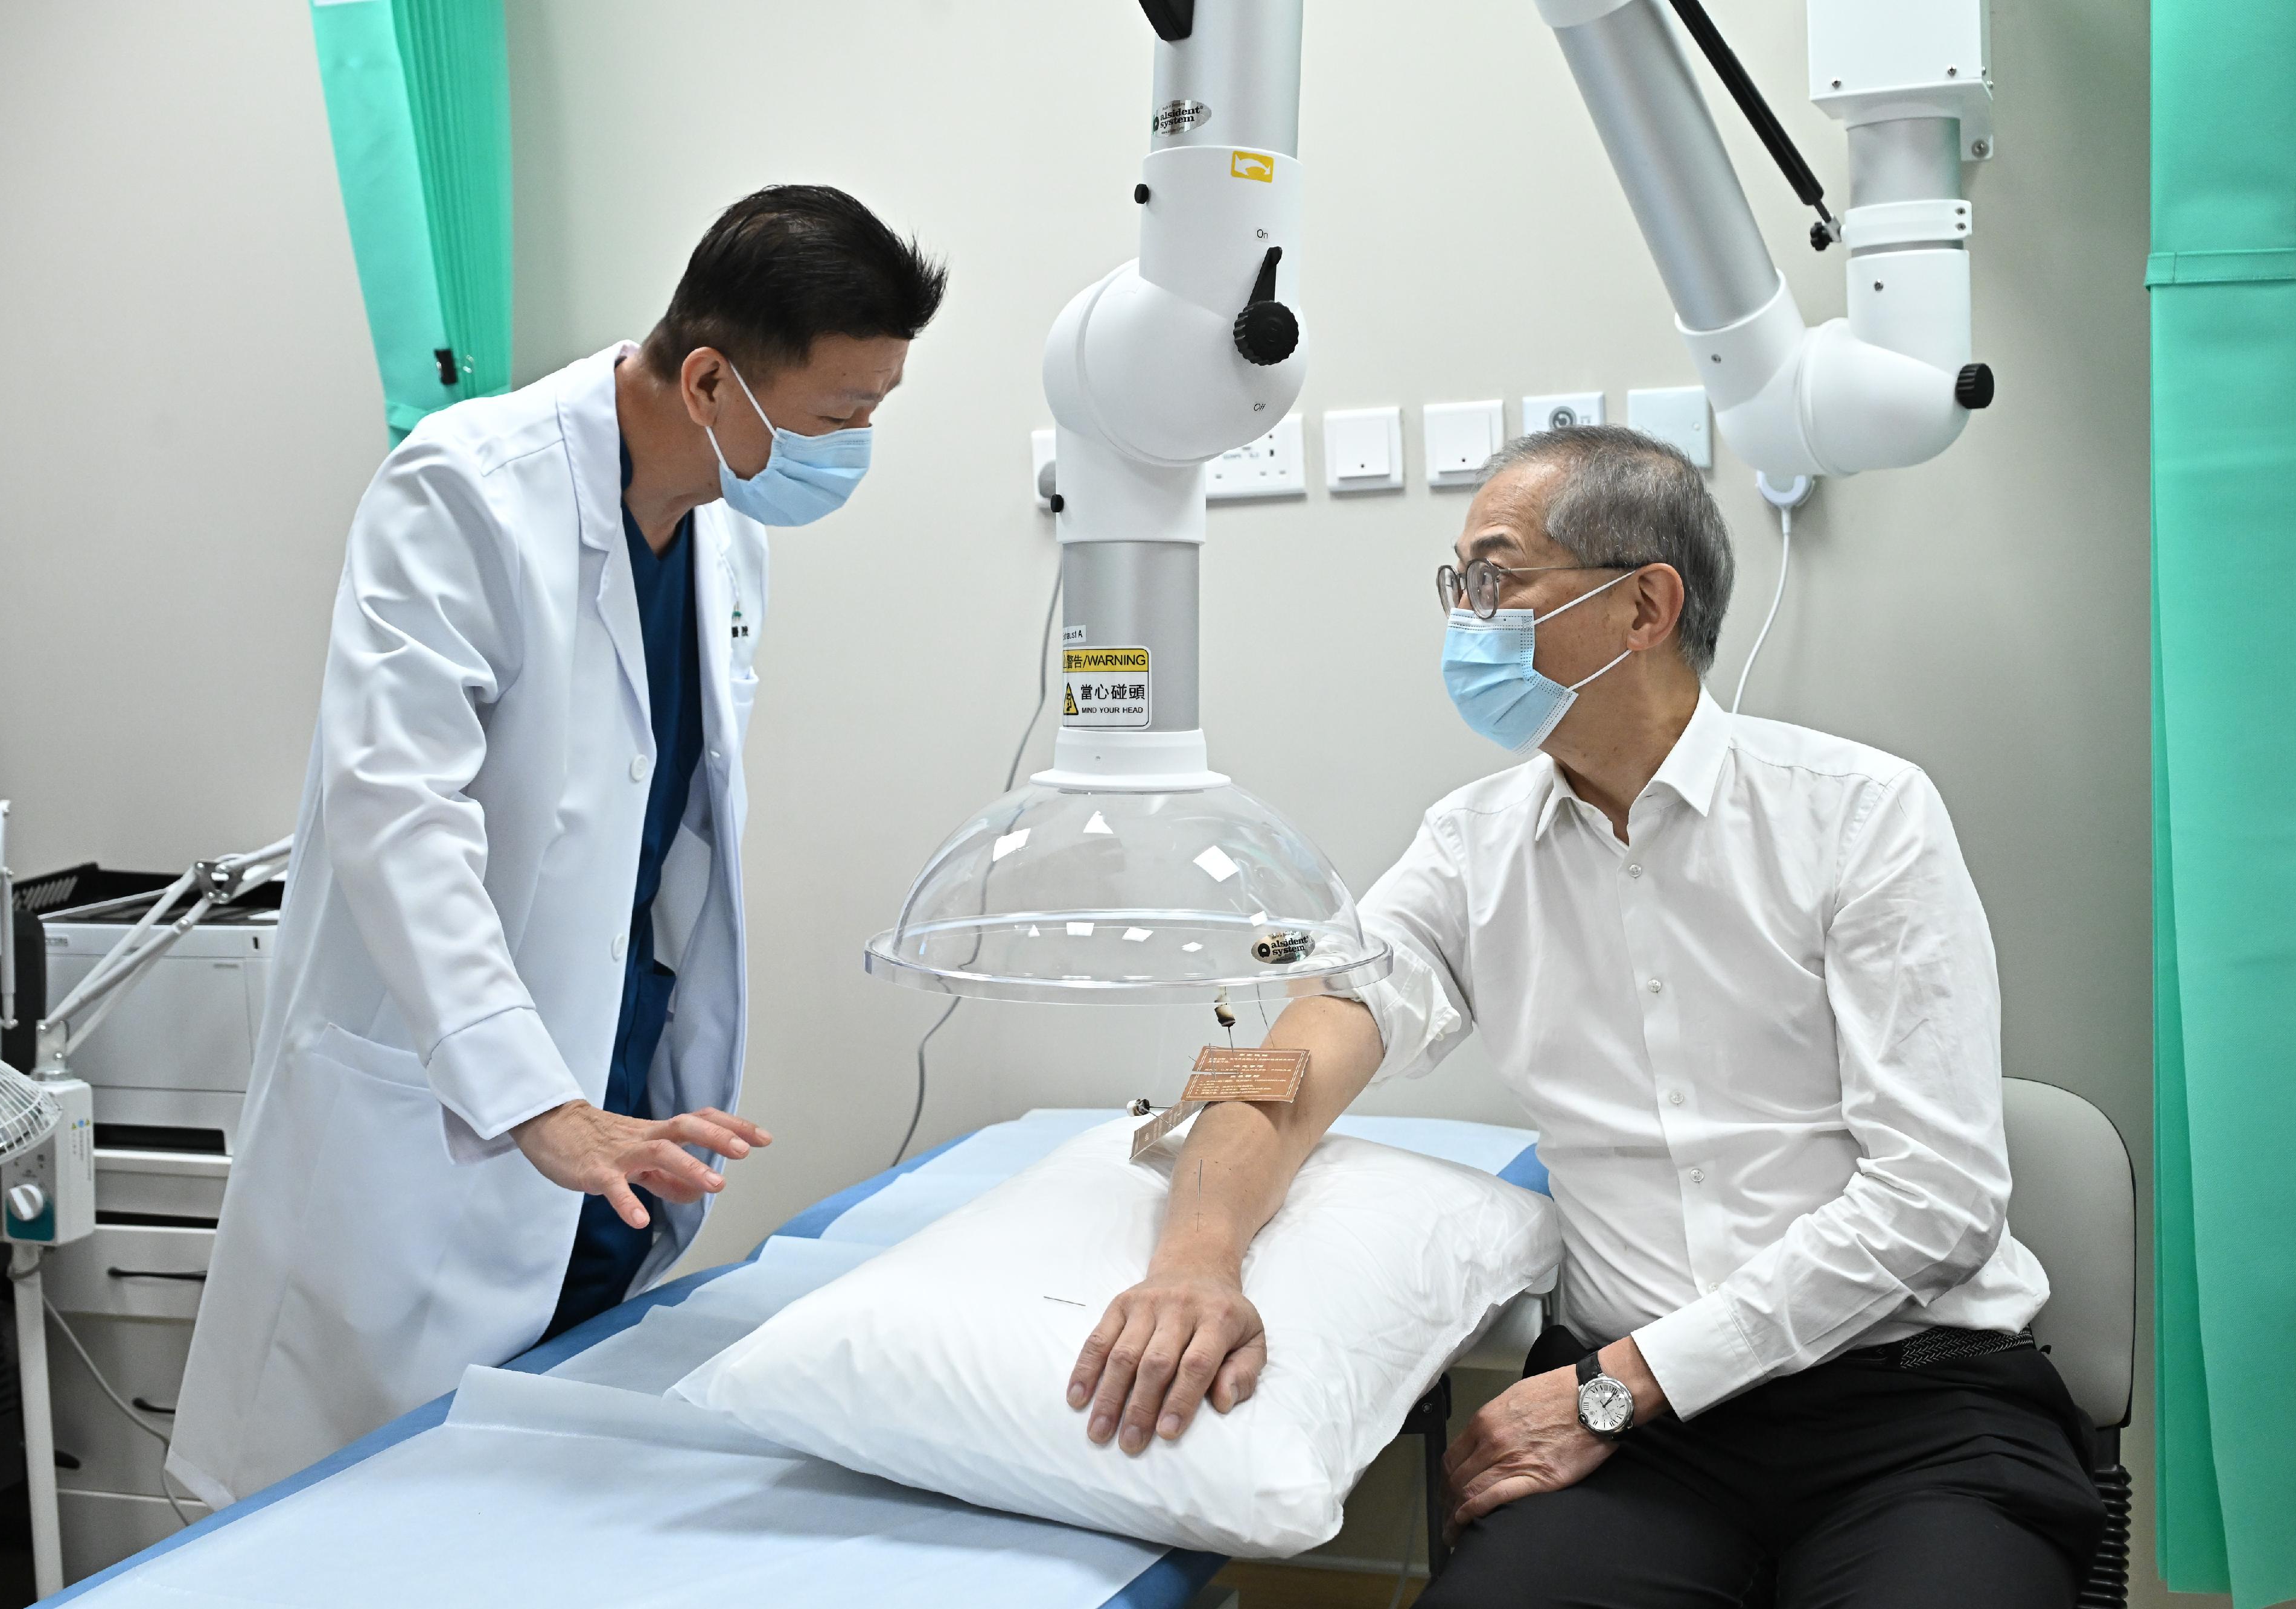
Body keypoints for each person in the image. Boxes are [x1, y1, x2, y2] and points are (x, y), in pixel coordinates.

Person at [1066, 426, 2105, 1606]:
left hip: (1906, 1414)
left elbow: (1937, 1201)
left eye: (1495, 578)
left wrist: (1621, 1383)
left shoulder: (1860, 818)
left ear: (1643, 606)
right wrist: (1197, 1262)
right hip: (1640, 1456)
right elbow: (1301, 1045)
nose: (1463, 616)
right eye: (1455, 582)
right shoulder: (1470, 846)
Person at [170, 185, 945, 1508]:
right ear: (709, 377)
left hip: (612, 1105)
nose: (855, 447)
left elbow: (660, 825)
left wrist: (630, 1061)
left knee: (536, 1496)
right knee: (356, 1524)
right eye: (838, 417)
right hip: (453, 1124)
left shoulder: (724, 532)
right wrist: (536, 1099)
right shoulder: (463, 492)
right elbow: (395, 814)